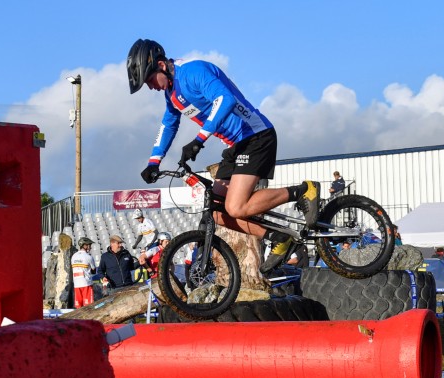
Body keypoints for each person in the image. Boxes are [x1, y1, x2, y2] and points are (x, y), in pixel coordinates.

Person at [127, 38, 320, 276]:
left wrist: (199, 140)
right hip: (235, 145)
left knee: (236, 206)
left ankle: (303, 190)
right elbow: (169, 124)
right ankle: (278, 237)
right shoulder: (171, 94)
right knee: (217, 212)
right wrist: (153, 162)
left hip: (256, 135)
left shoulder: (193, 71)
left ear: (161, 65)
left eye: (148, 80)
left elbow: (225, 99)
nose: (150, 87)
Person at [71, 237, 97, 308]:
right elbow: (94, 271)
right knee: (89, 307)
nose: (90, 247)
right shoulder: (89, 257)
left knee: (78, 308)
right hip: (86, 283)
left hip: (76, 284)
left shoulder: (73, 256)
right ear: (85, 245)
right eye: (89, 245)